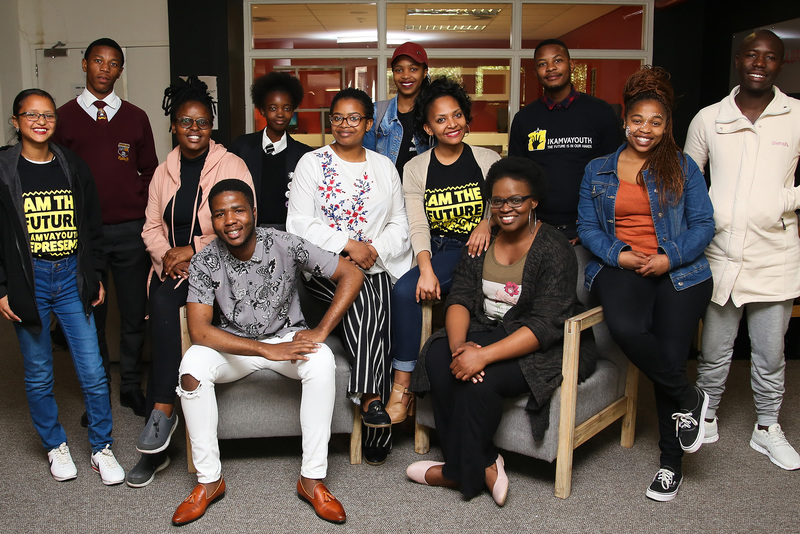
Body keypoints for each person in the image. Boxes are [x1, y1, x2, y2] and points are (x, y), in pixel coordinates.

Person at [172, 179, 363, 525]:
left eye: (238, 210)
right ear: (211, 222)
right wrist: (263, 350)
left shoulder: (285, 244)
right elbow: (200, 331)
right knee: (190, 369)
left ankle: (312, 479)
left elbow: (351, 273)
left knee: (322, 362)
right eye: (220, 214)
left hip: (287, 339)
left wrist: (320, 331)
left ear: (254, 213)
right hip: (235, 346)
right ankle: (209, 481)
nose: (230, 220)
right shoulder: (204, 261)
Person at [407, 157, 595, 505]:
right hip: (486, 327)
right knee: (437, 356)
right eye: (497, 201)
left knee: (483, 379)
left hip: (542, 343)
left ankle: (458, 473)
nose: (506, 208)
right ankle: (486, 461)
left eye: (516, 200)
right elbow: (461, 295)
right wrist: (461, 346)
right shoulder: (480, 242)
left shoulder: (554, 249)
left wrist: (483, 356)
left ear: (534, 200)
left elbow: (545, 324)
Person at [578, 66, 715, 501]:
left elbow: (704, 224)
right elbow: (587, 225)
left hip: (680, 270)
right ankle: (688, 397)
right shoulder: (598, 169)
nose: (646, 130)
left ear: (666, 125)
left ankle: (670, 464)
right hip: (623, 267)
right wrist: (617, 254)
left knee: (671, 352)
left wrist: (667, 257)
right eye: (638, 120)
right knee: (627, 327)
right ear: (625, 119)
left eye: (656, 122)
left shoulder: (682, 166)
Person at [128, 76, 254, 488]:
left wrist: (194, 250)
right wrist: (168, 255)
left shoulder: (231, 164)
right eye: (185, 122)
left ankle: (162, 410)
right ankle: (159, 437)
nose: (194, 129)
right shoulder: (164, 170)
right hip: (173, 267)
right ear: (174, 125)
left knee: (165, 305)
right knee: (163, 302)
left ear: (211, 125)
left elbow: (241, 222)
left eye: (201, 122)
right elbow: (150, 225)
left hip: (221, 265)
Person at [684, 29, 800, 471]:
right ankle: (707, 414)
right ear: (738, 60)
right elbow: (688, 181)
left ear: (780, 64)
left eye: (770, 57)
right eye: (752, 54)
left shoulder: (795, 116)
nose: (759, 62)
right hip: (719, 252)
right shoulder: (709, 118)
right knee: (715, 349)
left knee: (771, 354)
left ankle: (767, 427)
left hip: (775, 254)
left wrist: (782, 200)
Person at [0, 88, 125, 484]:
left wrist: (95, 274)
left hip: (72, 277)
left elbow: (92, 226)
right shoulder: (4, 170)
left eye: (48, 115)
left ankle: (100, 448)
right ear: (16, 121)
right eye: (31, 114)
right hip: (29, 278)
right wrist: (2, 286)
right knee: (38, 372)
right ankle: (55, 444)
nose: (40, 121)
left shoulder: (72, 165)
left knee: (92, 370)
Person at [287, 87, 412, 466]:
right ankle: (375, 403)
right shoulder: (312, 162)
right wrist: (348, 245)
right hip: (323, 269)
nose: (345, 125)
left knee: (372, 292)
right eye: (338, 118)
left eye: (354, 118)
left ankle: (370, 402)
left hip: (373, 264)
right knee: (372, 295)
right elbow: (299, 223)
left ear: (369, 123)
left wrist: (371, 251)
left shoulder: (383, 167)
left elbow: (399, 223)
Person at [52, 37, 158, 418]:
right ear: (84, 65)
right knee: (89, 316)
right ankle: (97, 391)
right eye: (98, 61)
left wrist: (139, 205)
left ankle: (130, 387)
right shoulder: (62, 117)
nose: (104, 68)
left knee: (133, 314)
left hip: (130, 232)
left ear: (120, 70)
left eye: (113, 63)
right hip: (84, 237)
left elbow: (150, 171)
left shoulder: (135, 117)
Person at [386, 77, 499, 424]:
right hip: (433, 248)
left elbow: (504, 202)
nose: (451, 124)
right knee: (402, 288)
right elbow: (418, 224)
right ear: (427, 127)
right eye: (440, 119)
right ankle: (401, 386)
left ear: (466, 118)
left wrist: (486, 223)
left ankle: (401, 388)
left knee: (406, 292)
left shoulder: (487, 159)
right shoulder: (416, 167)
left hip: (475, 249)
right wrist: (426, 268)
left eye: (457, 115)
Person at [508, 38, 621, 243]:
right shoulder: (525, 118)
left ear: (571, 64)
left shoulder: (600, 112)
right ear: (536, 72)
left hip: (589, 229)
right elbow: (517, 177)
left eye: (557, 60)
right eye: (542, 64)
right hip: (537, 230)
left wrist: (590, 229)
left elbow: (613, 174)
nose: (550, 68)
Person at [230, 71, 312, 229]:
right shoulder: (242, 147)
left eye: (286, 108)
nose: (280, 113)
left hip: (290, 234)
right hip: (248, 232)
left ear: (293, 111)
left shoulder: (304, 155)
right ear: (262, 110)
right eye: (273, 108)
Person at [363, 41, 431, 175]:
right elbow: (363, 159)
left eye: (413, 69)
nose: (405, 76)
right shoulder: (376, 112)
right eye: (399, 70)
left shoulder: (434, 114)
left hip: (423, 193)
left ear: (424, 72)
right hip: (387, 192)